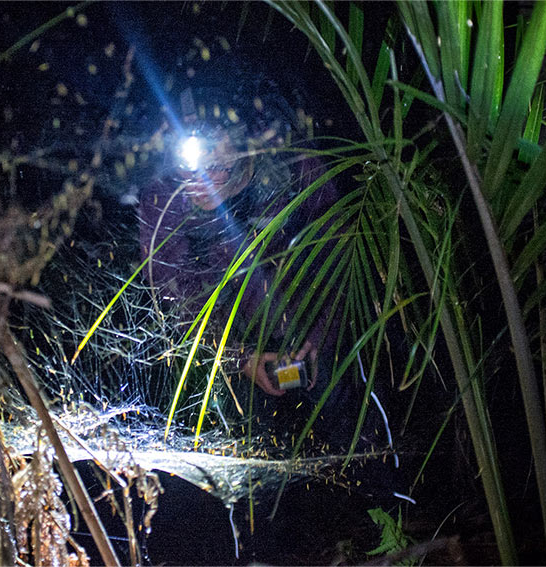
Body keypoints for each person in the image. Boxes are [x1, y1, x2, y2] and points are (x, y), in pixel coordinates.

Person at [138, 83, 384, 453]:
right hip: (232, 345)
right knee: (250, 446)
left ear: (242, 147)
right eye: (190, 167)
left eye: (217, 166)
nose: (201, 182)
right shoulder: (164, 195)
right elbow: (172, 293)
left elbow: (340, 246)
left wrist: (321, 336)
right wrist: (239, 357)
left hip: (315, 326)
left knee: (351, 426)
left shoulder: (285, 163)